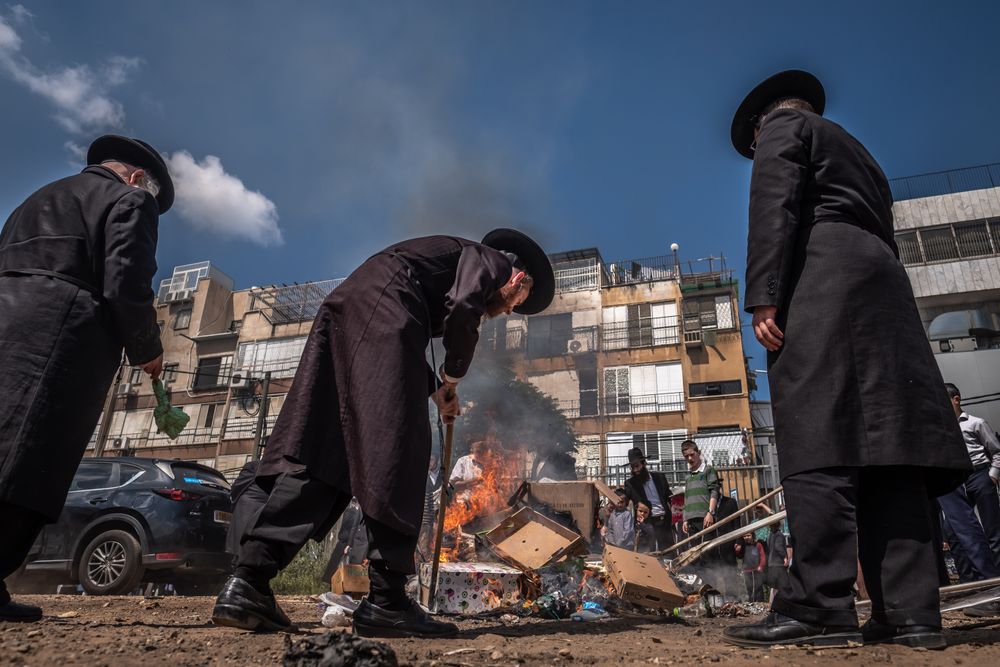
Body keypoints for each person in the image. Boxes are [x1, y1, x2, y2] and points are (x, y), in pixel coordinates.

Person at [723, 70, 970, 650]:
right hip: (884, 288)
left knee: (820, 436)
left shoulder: (784, 127)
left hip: (823, 281)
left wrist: (764, 292)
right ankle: (912, 614)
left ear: (762, 123)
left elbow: (774, 205)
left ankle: (818, 608)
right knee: (892, 448)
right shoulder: (860, 151)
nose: (757, 150)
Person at [212, 230, 554, 638]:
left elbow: (391, 337)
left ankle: (249, 580)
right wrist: (453, 374)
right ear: (519, 279)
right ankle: (388, 601)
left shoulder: (413, 279)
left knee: (330, 457)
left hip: (349, 316)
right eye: (521, 301)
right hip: (380, 317)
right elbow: (463, 307)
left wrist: (436, 389)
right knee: (400, 449)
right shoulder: (488, 259)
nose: (513, 310)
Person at [0, 136, 173, 623]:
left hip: (7, 323)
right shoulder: (132, 199)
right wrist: (148, 350)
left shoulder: (39, 197)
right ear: (139, 178)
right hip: (59, 334)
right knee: (32, 459)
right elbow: (126, 280)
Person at [937, 383, 1000, 617]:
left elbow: (996, 451)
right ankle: (970, 584)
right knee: (954, 532)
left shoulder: (976, 423)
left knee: (991, 530)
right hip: (956, 478)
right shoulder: (943, 428)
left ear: (956, 399)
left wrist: (992, 476)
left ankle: (992, 585)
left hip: (979, 474)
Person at [623, 447, 674, 550]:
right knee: (650, 555)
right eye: (632, 467)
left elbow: (669, 497)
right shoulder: (630, 484)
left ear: (644, 463)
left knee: (668, 552)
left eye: (637, 466)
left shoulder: (659, 477)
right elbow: (623, 499)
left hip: (665, 521)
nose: (635, 470)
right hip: (647, 523)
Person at [679, 440, 721, 539]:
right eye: (686, 456)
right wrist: (685, 519)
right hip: (691, 520)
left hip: (705, 518)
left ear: (699, 452)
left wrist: (710, 513)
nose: (690, 458)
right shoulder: (688, 476)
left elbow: (714, 491)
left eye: (692, 454)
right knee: (695, 552)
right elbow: (687, 498)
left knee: (707, 551)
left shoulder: (708, 470)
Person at [735, 532, 767, 602]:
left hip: (756, 571)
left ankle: (760, 603)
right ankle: (751, 603)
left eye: (748, 536)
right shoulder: (743, 546)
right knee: (749, 589)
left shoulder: (758, 545)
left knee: (758, 588)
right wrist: (737, 551)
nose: (746, 537)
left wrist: (761, 566)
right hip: (747, 571)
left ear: (753, 536)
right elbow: (739, 556)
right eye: (744, 536)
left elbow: (763, 556)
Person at [765, 524, 791, 604]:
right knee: (784, 584)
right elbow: (778, 547)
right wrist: (785, 558)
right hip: (778, 564)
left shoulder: (769, 535)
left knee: (775, 586)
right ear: (779, 525)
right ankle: (780, 604)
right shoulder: (779, 535)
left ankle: (772, 603)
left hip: (771, 564)